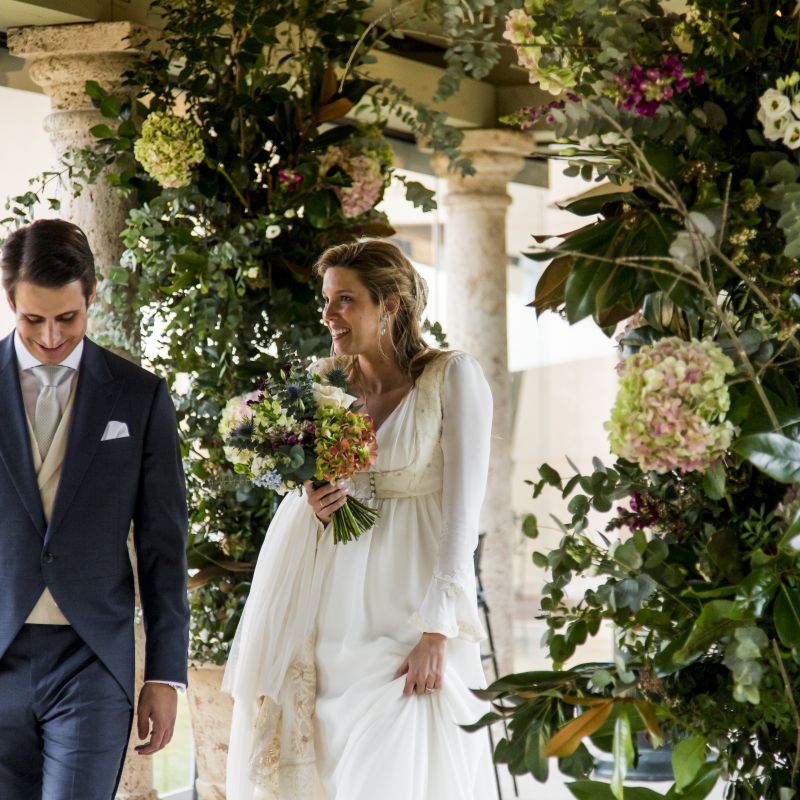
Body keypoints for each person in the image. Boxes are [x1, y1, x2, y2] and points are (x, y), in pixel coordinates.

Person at [224, 239, 497, 799]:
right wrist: (311, 492)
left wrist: (437, 630)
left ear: (389, 305)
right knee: (329, 763)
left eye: (344, 300)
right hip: (331, 606)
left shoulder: (452, 377)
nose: (328, 315)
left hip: (412, 610)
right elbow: (308, 476)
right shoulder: (322, 384)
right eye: (326, 300)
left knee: (398, 760)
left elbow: (462, 512)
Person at [0, 219, 190, 799]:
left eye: (68, 317)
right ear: (10, 300)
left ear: (92, 297)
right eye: (33, 319)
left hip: (90, 663)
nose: (52, 336)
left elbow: (163, 544)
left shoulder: (140, 396)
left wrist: (164, 674)